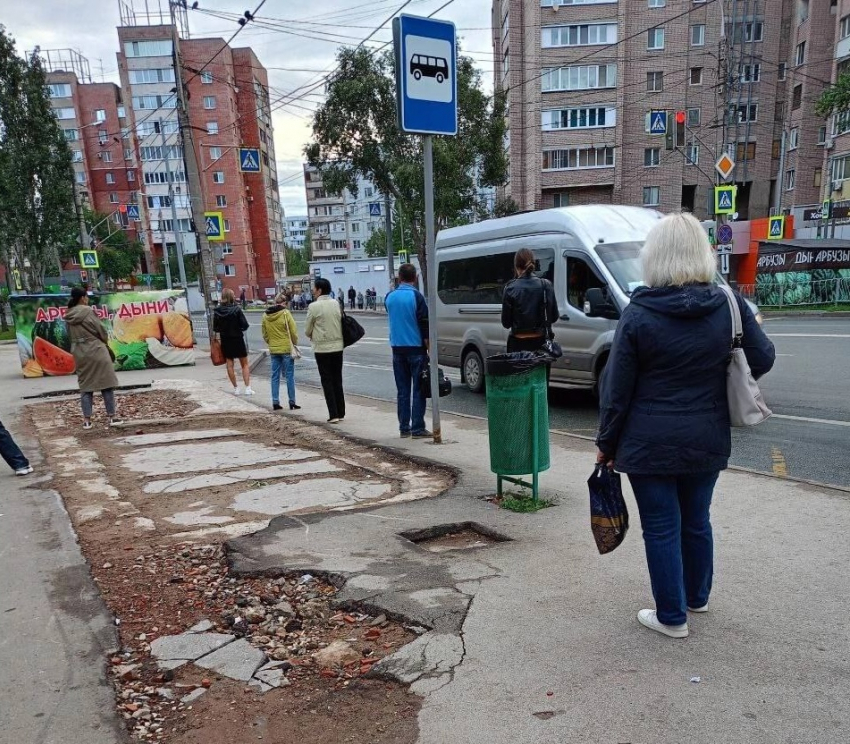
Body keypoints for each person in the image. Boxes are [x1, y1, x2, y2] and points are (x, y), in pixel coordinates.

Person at [596, 212, 775, 640]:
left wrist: (606, 442)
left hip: (647, 442)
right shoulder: (727, 303)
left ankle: (672, 617)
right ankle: (697, 597)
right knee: (697, 519)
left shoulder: (639, 313)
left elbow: (616, 390)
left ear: (654, 257)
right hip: (706, 436)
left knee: (661, 525)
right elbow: (763, 357)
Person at [65, 287, 122, 429]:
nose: (88, 299)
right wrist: (104, 341)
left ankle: (87, 420)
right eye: (86, 297)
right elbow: (101, 330)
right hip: (96, 350)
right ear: (83, 298)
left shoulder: (69, 315)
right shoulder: (88, 311)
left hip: (80, 352)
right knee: (106, 385)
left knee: (86, 386)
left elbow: (68, 336)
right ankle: (112, 417)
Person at [385, 263, 430, 439]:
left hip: (397, 349)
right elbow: (424, 324)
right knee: (418, 389)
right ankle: (417, 428)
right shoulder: (417, 297)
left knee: (403, 391)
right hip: (416, 349)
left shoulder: (389, 297)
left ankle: (404, 427)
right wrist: (429, 349)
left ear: (399, 277)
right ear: (415, 278)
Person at [501, 248, 558, 352]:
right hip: (542, 346)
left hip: (517, 346)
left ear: (516, 266)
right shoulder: (546, 285)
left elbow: (506, 323)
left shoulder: (510, 288)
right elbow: (554, 317)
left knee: (517, 368)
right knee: (541, 368)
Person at [306, 278, 345, 423]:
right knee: (337, 379)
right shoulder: (336, 303)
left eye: (314, 288)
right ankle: (341, 412)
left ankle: (333, 414)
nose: (313, 291)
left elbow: (307, 329)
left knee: (327, 380)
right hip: (337, 346)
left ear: (320, 290)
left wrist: (313, 334)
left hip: (322, 348)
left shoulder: (313, 307)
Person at [262, 293, 300, 411]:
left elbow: (264, 334)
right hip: (286, 349)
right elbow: (293, 331)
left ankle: (275, 401)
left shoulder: (265, 315)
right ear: (284, 303)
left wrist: (271, 342)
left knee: (274, 376)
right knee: (289, 376)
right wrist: (294, 343)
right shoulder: (285, 313)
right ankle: (292, 402)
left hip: (274, 350)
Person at [214, 288, 254, 396]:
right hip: (237, 339)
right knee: (244, 364)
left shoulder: (217, 311)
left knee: (229, 364)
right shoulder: (237, 310)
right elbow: (245, 325)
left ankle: (236, 388)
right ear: (231, 297)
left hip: (226, 340)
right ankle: (248, 388)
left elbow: (216, 328)